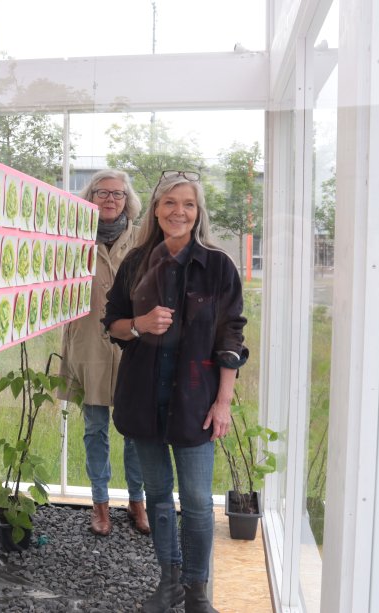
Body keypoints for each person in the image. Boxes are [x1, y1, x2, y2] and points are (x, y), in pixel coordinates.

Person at [103, 170, 247, 613]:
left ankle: (197, 592)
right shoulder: (134, 263)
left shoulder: (218, 265)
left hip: (195, 403)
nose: (178, 211)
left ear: (197, 211)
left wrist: (223, 402)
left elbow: (231, 338)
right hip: (143, 400)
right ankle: (168, 583)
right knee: (159, 495)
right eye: (169, 203)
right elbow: (112, 323)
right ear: (155, 210)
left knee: (200, 502)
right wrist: (139, 326)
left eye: (187, 203)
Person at [59, 169, 150, 536]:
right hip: (87, 341)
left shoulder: (144, 240)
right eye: (102, 193)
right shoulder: (73, 238)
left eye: (118, 194)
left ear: (128, 200)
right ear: (90, 197)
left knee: (134, 429)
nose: (110, 200)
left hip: (133, 342)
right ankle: (99, 504)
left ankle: (136, 501)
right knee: (95, 427)